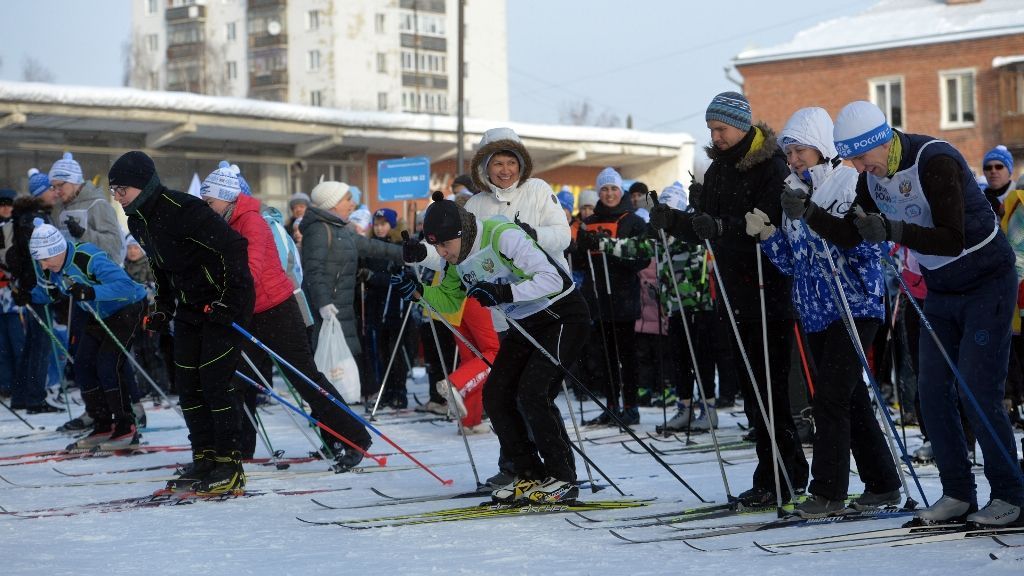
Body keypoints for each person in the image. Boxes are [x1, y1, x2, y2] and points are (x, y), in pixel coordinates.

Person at [799, 100, 1023, 527]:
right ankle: (958, 493)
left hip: (986, 282)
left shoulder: (934, 160)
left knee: (975, 390)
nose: (861, 169)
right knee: (931, 392)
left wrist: (893, 231)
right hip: (941, 289)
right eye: (854, 161)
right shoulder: (872, 177)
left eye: (864, 158)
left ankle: (1012, 494)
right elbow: (849, 236)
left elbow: (952, 238)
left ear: (881, 142)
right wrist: (809, 214)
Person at [649, 91, 808, 507]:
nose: (715, 137)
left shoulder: (770, 167)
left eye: (720, 129)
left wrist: (721, 226)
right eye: (711, 130)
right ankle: (772, 474)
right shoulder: (718, 169)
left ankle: (785, 474)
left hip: (765, 287)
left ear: (740, 125)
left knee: (769, 390)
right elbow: (708, 227)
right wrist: (675, 222)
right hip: (733, 290)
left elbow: (764, 224)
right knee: (752, 393)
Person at [750, 106, 902, 517]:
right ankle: (884, 484)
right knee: (849, 399)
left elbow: (867, 247)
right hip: (815, 312)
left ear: (821, 146)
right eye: (789, 151)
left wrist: (815, 220)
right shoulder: (791, 193)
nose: (795, 158)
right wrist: (768, 236)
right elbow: (792, 263)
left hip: (854, 306)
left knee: (830, 401)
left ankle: (828, 491)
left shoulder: (848, 181)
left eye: (801, 149)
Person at [392, 192, 588, 503]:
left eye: (445, 244)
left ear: (462, 233)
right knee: (496, 394)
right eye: (436, 246)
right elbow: (450, 303)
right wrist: (418, 292)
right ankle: (528, 474)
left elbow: (555, 280)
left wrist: (503, 291)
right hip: (524, 325)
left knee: (534, 392)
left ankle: (562, 477)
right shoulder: (455, 263)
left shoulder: (501, 235)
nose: (442, 253)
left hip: (562, 316)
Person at [199, 165, 371, 470]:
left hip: (277, 310)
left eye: (210, 201)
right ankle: (233, 449)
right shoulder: (227, 224)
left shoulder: (251, 222)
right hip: (250, 312)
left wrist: (227, 296)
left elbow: (249, 270)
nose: (207, 208)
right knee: (234, 378)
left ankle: (352, 438)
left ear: (227, 198)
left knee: (305, 380)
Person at [109, 150, 254, 495]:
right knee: (188, 385)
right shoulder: (138, 220)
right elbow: (162, 267)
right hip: (190, 308)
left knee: (215, 383)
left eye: (121, 189)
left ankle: (228, 464)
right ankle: (204, 458)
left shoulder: (183, 208)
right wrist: (163, 307)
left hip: (222, 303)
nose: (117, 196)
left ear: (142, 186)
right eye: (113, 190)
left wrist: (229, 301)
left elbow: (234, 247)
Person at [29, 219, 147, 449]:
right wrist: (27, 295)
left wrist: (91, 291)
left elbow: (126, 287)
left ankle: (127, 427)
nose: (43, 266)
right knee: (82, 364)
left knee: (107, 364)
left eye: (45, 259)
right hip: (100, 313)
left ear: (57, 250)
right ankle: (102, 424)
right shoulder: (56, 267)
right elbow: (49, 293)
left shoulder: (88, 257)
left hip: (127, 307)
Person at [299, 180, 404, 401]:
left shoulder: (340, 229)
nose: (352, 203)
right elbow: (313, 271)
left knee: (339, 372)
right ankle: (330, 422)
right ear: (333, 204)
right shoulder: (319, 229)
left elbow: (373, 247)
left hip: (342, 312)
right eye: (347, 199)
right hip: (327, 315)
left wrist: (406, 253)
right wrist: (324, 303)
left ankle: (336, 419)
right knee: (328, 369)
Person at [574, 167, 650, 426]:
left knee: (626, 355)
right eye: (604, 189)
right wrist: (581, 246)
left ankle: (631, 406)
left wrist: (611, 250)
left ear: (621, 191)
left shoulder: (633, 220)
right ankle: (611, 404)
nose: (609, 194)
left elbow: (642, 258)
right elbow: (581, 263)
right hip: (598, 298)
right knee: (604, 355)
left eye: (613, 189)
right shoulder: (591, 220)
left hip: (624, 297)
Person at [5, 170, 63, 415]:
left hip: (29, 286)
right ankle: (35, 398)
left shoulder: (24, 216)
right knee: (40, 343)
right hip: (39, 286)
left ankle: (22, 396)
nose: (56, 193)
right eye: (51, 189)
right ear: (40, 193)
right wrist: (39, 284)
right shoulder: (35, 219)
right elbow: (35, 256)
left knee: (32, 343)